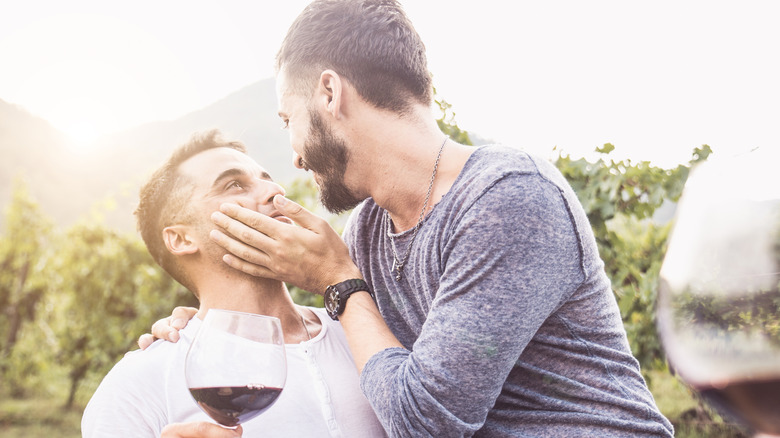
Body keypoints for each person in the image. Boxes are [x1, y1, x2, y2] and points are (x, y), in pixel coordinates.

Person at [147, 1, 675, 436]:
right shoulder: (370, 233)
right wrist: (211, 329)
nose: (296, 158)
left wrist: (336, 279)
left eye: (289, 120)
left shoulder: (508, 198)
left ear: (330, 93)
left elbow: (427, 424)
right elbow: (350, 347)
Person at [82, 130, 386, 438]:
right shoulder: (138, 384)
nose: (275, 190)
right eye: (234, 184)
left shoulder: (364, 330)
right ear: (181, 238)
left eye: (266, 179)